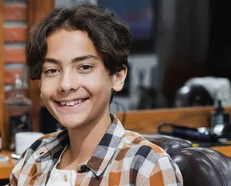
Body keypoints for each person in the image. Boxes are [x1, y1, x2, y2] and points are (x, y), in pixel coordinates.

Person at [9, 3, 183, 186]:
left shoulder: (145, 165)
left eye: (84, 67)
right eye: (52, 70)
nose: (65, 84)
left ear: (117, 77)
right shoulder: (35, 157)